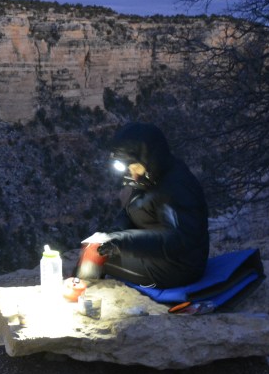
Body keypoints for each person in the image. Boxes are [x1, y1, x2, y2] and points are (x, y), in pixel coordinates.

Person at [82, 122, 209, 289]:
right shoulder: (150, 177)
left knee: (95, 259)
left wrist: (122, 242)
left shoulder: (176, 187)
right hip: (157, 253)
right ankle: (79, 287)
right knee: (95, 249)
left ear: (149, 158)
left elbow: (179, 239)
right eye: (128, 168)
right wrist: (115, 232)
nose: (132, 174)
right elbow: (130, 211)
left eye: (134, 167)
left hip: (180, 266)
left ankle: (78, 292)